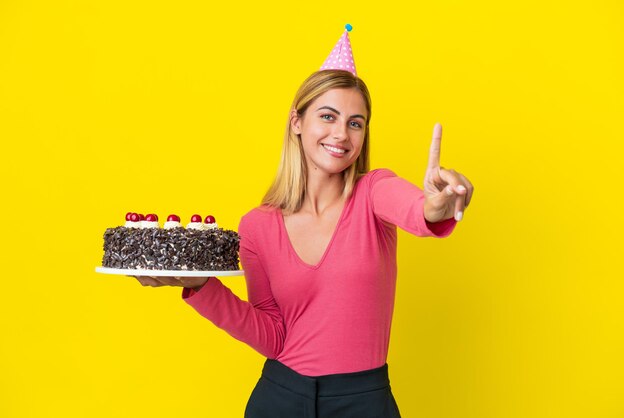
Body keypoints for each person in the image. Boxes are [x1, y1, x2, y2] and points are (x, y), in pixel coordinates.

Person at [134, 25, 473, 418]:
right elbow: (274, 336)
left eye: (355, 122)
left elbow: (419, 211)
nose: (341, 134)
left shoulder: (374, 192)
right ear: (297, 121)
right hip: (279, 397)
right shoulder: (257, 226)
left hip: (364, 401)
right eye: (328, 116)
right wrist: (201, 287)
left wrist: (441, 202)